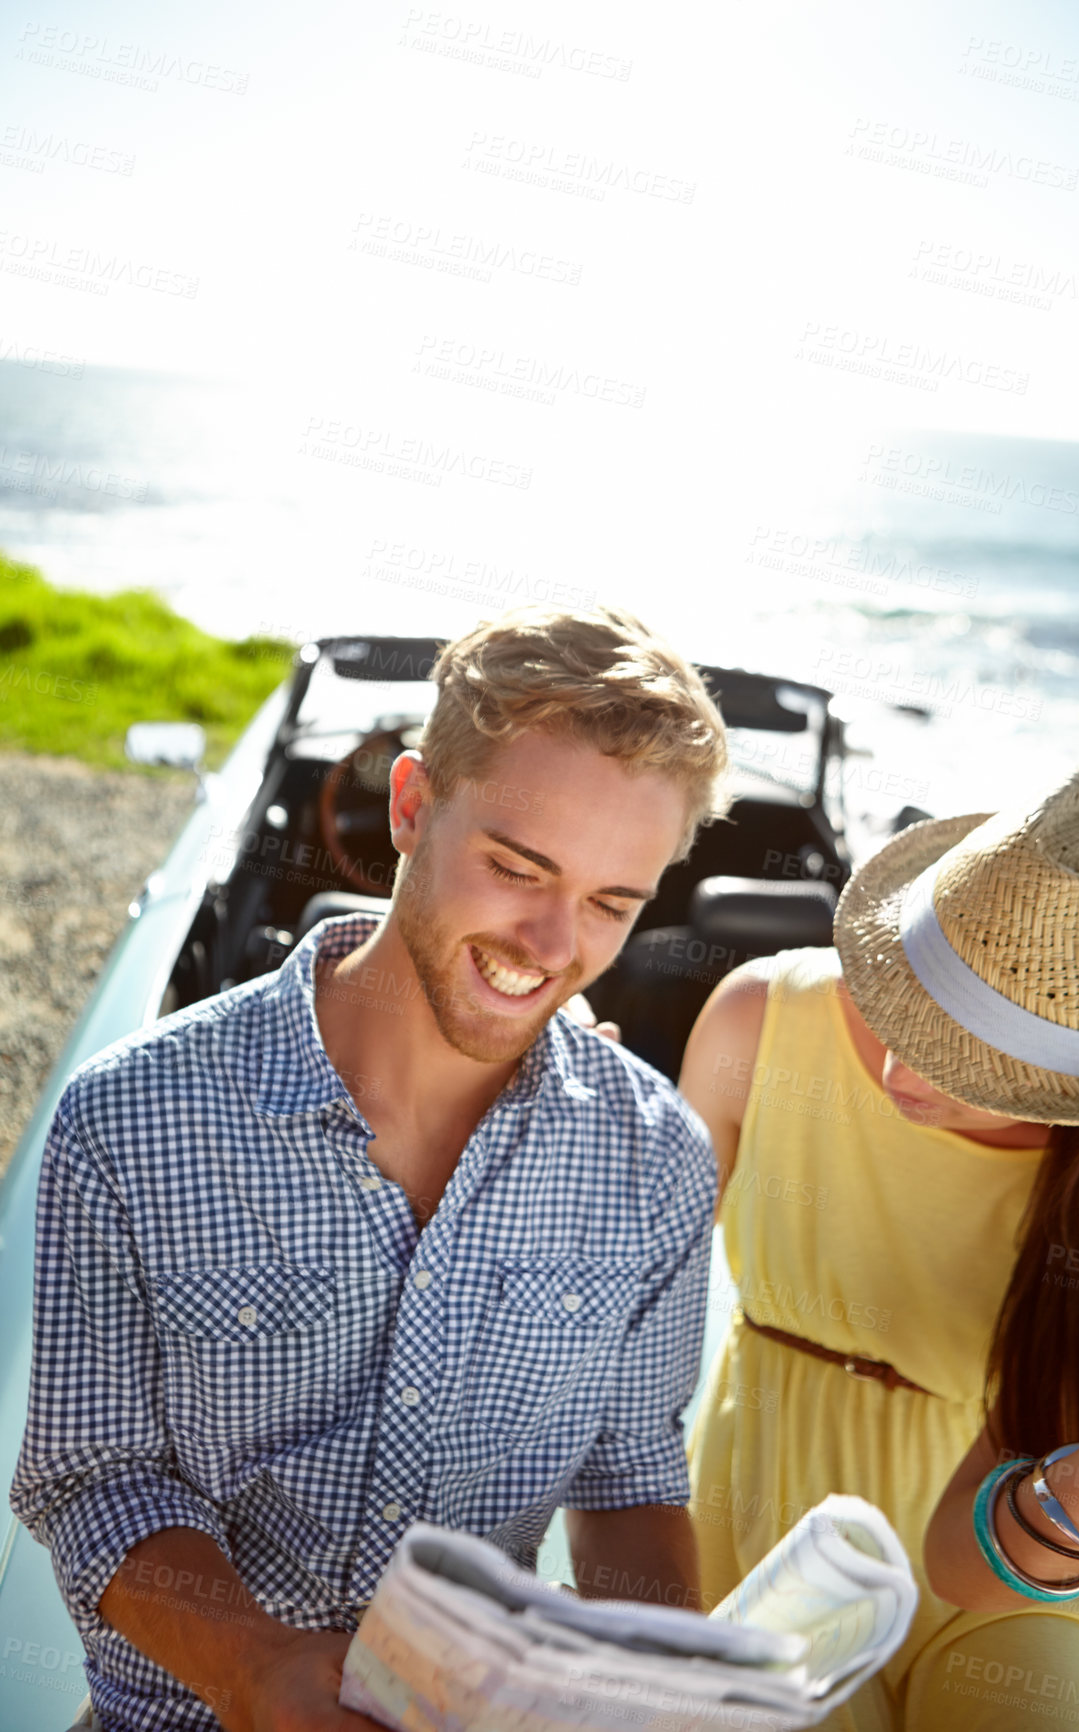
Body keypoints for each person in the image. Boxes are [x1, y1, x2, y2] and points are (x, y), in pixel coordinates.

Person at [11, 605, 731, 1732]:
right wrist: (252, 1667)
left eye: (608, 904)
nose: (550, 945)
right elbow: (90, 1476)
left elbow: (627, 1482)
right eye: (516, 865)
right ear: (409, 806)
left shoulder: (659, 1162)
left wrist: (677, 1694)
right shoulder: (134, 1113)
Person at [680, 761, 1079, 1730]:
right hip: (764, 1511)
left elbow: (985, 1555)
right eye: (896, 991)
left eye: (965, 1056)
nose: (899, 1066)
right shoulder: (756, 1015)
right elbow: (619, 1315)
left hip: (1008, 1536)